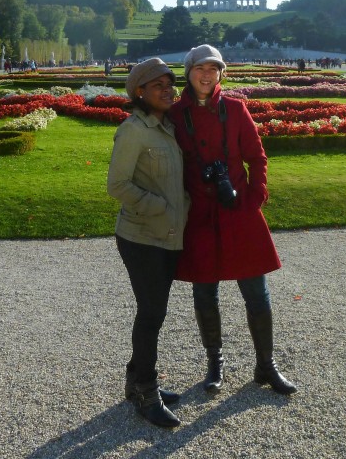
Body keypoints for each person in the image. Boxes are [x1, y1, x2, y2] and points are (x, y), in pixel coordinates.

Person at [169, 44, 297, 397]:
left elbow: (258, 159)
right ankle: (215, 362)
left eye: (214, 69)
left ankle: (266, 365)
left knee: (256, 292)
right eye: (200, 68)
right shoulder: (176, 115)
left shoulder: (237, 110)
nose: (207, 75)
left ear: (222, 74)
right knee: (205, 292)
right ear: (189, 71)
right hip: (200, 215)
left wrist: (255, 199)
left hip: (239, 211)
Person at [107, 58, 189, 428]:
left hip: (167, 235)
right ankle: (146, 390)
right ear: (139, 91)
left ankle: (135, 380)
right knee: (152, 313)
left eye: (170, 84)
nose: (168, 90)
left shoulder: (167, 127)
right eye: (158, 86)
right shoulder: (133, 131)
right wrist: (160, 208)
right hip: (141, 237)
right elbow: (117, 185)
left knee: (154, 311)